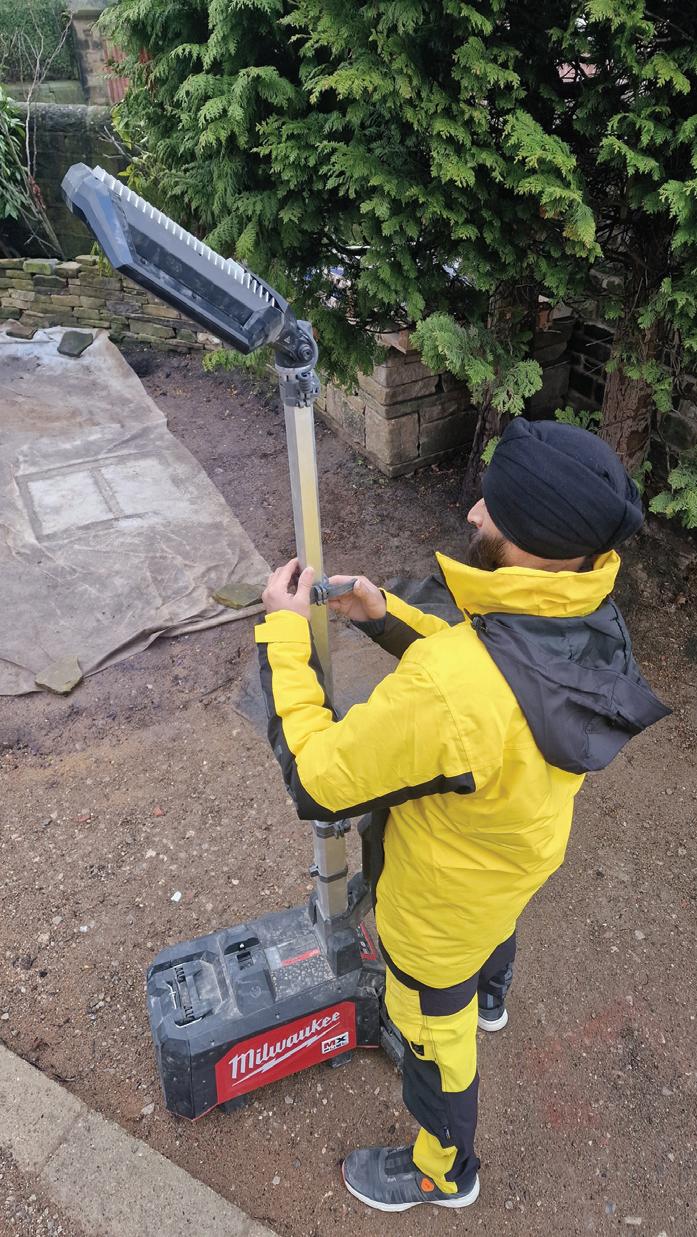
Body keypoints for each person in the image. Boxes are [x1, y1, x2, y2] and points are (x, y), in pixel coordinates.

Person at [255, 417, 669, 1213]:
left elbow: (320, 780)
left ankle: (444, 1170)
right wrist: (383, 613)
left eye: (492, 506)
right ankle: (491, 995)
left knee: (432, 1035)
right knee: (494, 929)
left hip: (439, 914)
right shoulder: (586, 609)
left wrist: (284, 632)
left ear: (533, 542)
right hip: (516, 852)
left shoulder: (453, 686)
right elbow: (491, 658)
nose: (473, 511)